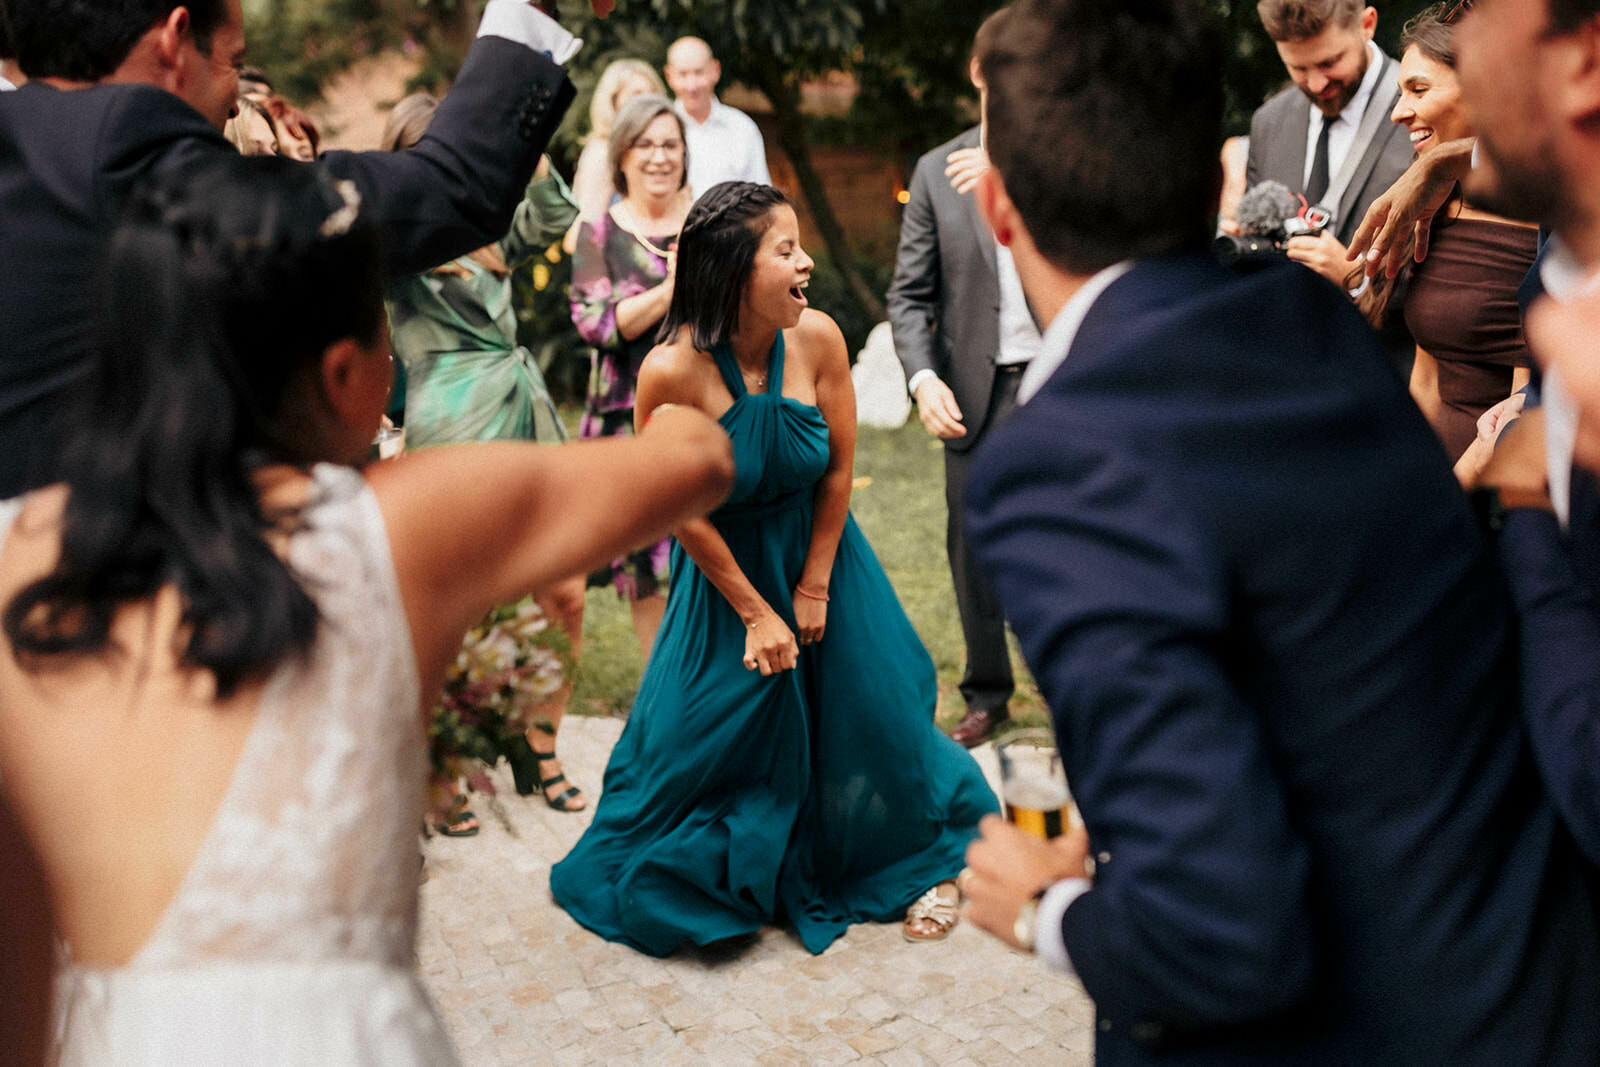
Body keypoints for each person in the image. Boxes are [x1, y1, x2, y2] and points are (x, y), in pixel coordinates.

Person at [957, 0, 1600, 1061]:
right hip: (1532, 972)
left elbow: (1220, 935)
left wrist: (1043, 908)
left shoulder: (1056, 465)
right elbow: (1328, 652)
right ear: (1206, 177)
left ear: (997, 209)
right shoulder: (1303, 320)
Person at [0, 154, 732, 1064]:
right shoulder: (397, 528)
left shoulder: (18, 551)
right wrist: (677, 393)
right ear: (344, 374)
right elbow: (700, 461)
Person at [551, 181, 998, 955]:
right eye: (785, 250)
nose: (806, 262)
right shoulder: (668, 371)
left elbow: (838, 469)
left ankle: (920, 861)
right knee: (690, 763)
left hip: (823, 559)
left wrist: (814, 585)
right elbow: (676, 506)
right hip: (725, 581)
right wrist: (757, 611)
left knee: (874, 725)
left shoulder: (819, 339)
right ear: (733, 268)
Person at [0, 0, 588, 500]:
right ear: (174, 41)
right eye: (234, 63)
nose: (237, 105)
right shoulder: (130, 154)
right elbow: (447, 188)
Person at [381, 92, 590, 816]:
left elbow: (555, 213)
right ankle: (449, 759)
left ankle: (540, 741)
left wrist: (514, 137)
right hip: (450, 418)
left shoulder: (489, 223)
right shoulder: (393, 242)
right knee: (465, 605)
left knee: (564, 590)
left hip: (524, 408)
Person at [886, 8, 1038, 749]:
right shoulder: (934, 172)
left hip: (1057, 376)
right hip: (974, 388)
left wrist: (1014, 180)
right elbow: (909, 295)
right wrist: (922, 378)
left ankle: (1072, 680)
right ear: (978, 73)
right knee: (972, 546)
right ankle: (987, 691)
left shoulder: (1063, 157)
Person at [1362, 4, 1538, 470]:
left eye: (1418, 90)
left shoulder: (1545, 222)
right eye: (1400, 92)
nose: (1399, 112)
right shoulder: (1436, 207)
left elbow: (1522, 415)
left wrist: (1446, 501)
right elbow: (1426, 383)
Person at [569, 94, 694, 657]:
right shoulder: (598, 233)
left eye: (670, 144)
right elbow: (595, 324)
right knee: (646, 563)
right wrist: (670, 292)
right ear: (622, 155)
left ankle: (712, 688)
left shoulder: (709, 225)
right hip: (628, 421)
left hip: (706, 414)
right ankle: (660, 686)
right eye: (645, 144)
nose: (659, 157)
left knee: (710, 551)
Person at [1246, 0, 1413, 286]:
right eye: (1298, 68)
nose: (1316, 84)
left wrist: (1357, 282)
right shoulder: (1268, 122)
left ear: (1367, 25)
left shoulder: (1423, 112)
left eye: (1329, 62)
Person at [663, 36, 771, 197]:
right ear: (669, 76)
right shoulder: (659, 129)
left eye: (699, 72)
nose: (692, 86)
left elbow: (761, 196)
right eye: (683, 74)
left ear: (715, 70)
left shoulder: (742, 128)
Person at [569, 58, 666, 230]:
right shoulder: (602, 153)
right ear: (613, 102)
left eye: (652, 93)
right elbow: (587, 227)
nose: (648, 102)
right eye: (636, 95)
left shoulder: (659, 151)